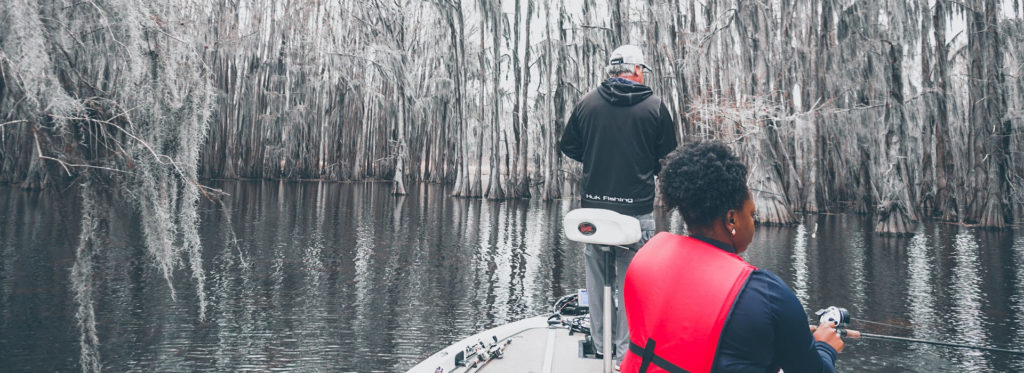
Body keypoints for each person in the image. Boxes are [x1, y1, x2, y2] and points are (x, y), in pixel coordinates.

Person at [619, 140, 844, 373]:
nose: (753, 222)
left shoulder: (646, 258)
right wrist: (825, 347)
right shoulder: (768, 295)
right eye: (751, 214)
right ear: (732, 219)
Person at [559, 44, 678, 365]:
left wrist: (597, 156)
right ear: (637, 70)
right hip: (636, 213)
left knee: (597, 281)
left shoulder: (587, 103)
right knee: (633, 287)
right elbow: (666, 153)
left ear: (613, 70)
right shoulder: (655, 107)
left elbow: (569, 146)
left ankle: (601, 345)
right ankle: (626, 354)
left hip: (594, 213)